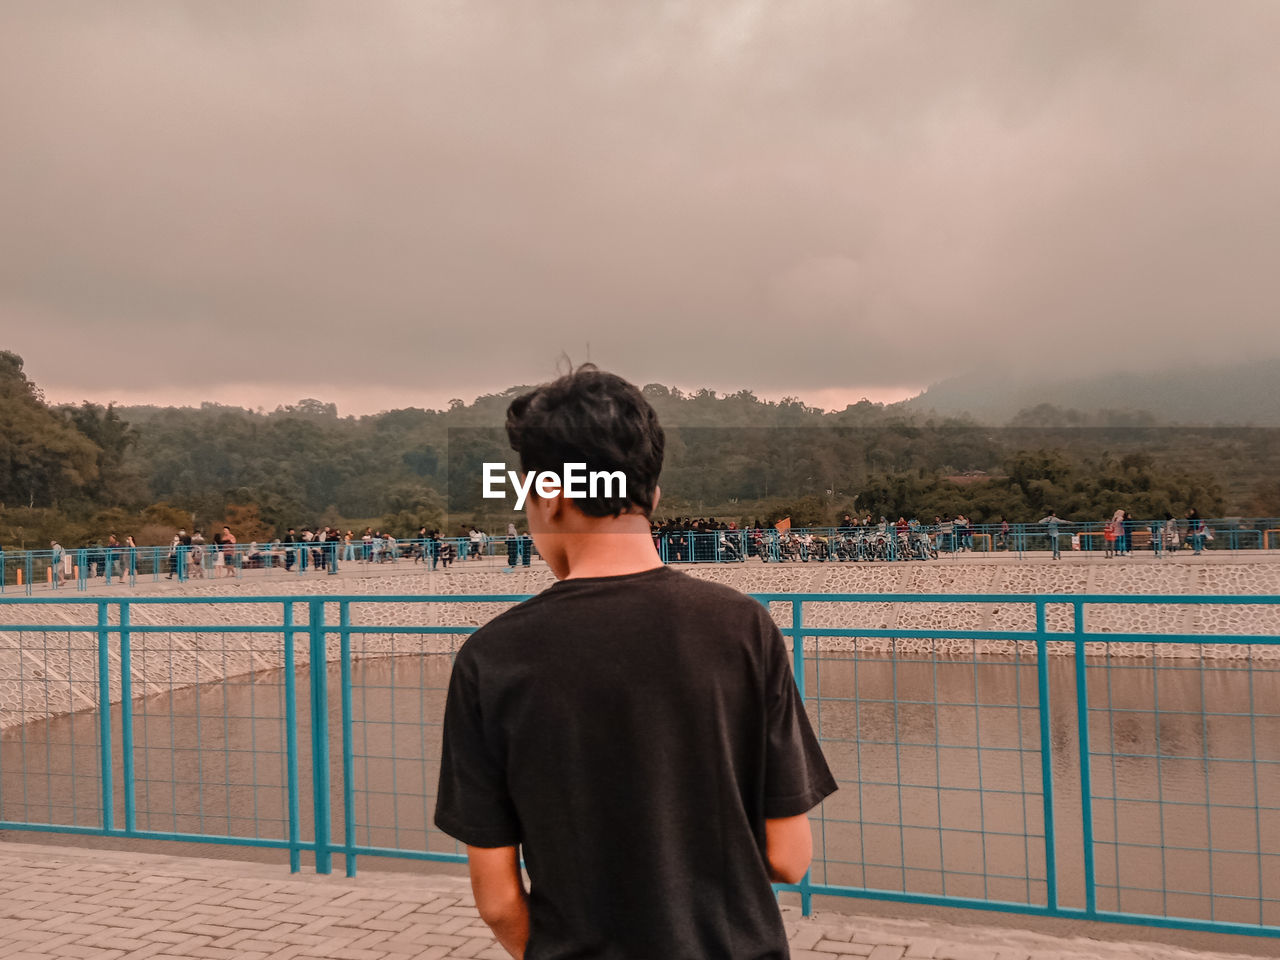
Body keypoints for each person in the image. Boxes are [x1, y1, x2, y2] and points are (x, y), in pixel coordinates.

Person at [435, 366, 836, 959]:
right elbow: (789, 857)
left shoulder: (490, 657)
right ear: (653, 495)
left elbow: (497, 900)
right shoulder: (743, 626)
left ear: (550, 494)